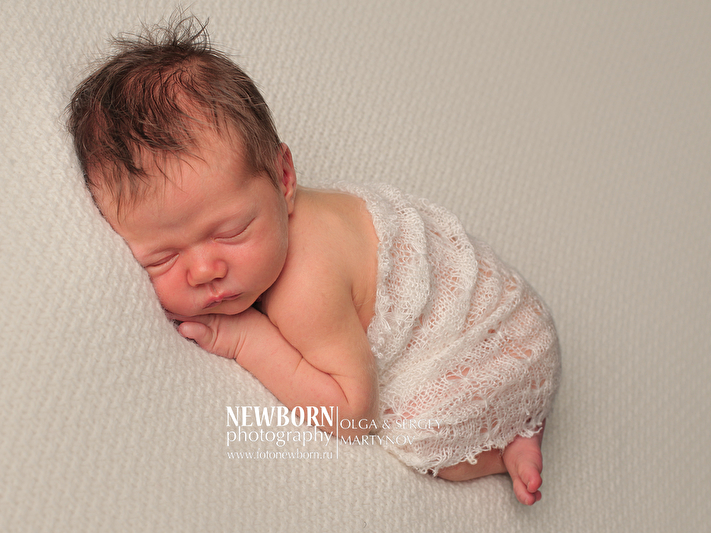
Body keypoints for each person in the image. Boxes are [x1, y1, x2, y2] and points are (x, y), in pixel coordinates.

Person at [67, 15, 560, 506]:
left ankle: (504, 446)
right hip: (505, 300)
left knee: (421, 438)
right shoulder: (268, 220)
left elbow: (354, 415)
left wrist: (246, 341)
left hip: (496, 345)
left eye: (231, 232)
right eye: (162, 258)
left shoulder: (305, 286)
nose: (204, 271)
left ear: (284, 179)